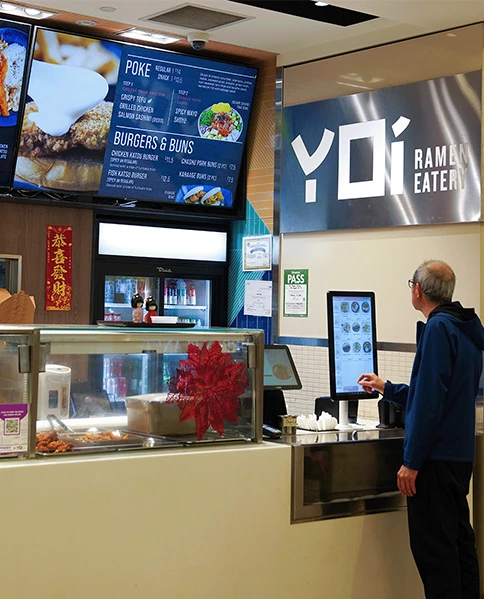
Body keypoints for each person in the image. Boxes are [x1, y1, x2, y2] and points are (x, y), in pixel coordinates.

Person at [357, 260, 484, 599]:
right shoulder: (466, 329)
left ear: (417, 289)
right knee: (459, 545)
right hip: (458, 458)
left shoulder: (438, 329)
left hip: (434, 462)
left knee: (436, 557)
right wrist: (389, 387)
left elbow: (429, 403)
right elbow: (439, 392)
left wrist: (411, 461)